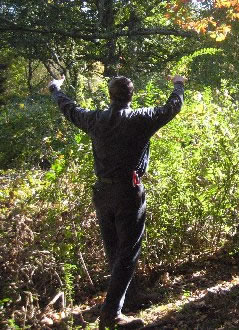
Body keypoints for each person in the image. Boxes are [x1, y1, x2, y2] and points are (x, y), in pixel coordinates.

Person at [47, 74, 185, 329]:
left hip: (102, 193)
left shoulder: (95, 119)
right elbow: (173, 107)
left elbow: (69, 108)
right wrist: (178, 84)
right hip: (128, 192)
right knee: (127, 252)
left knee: (115, 251)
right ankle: (111, 315)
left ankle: (127, 298)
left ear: (110, 95)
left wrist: (55, 88)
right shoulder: (141, 118)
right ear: (131, 95)